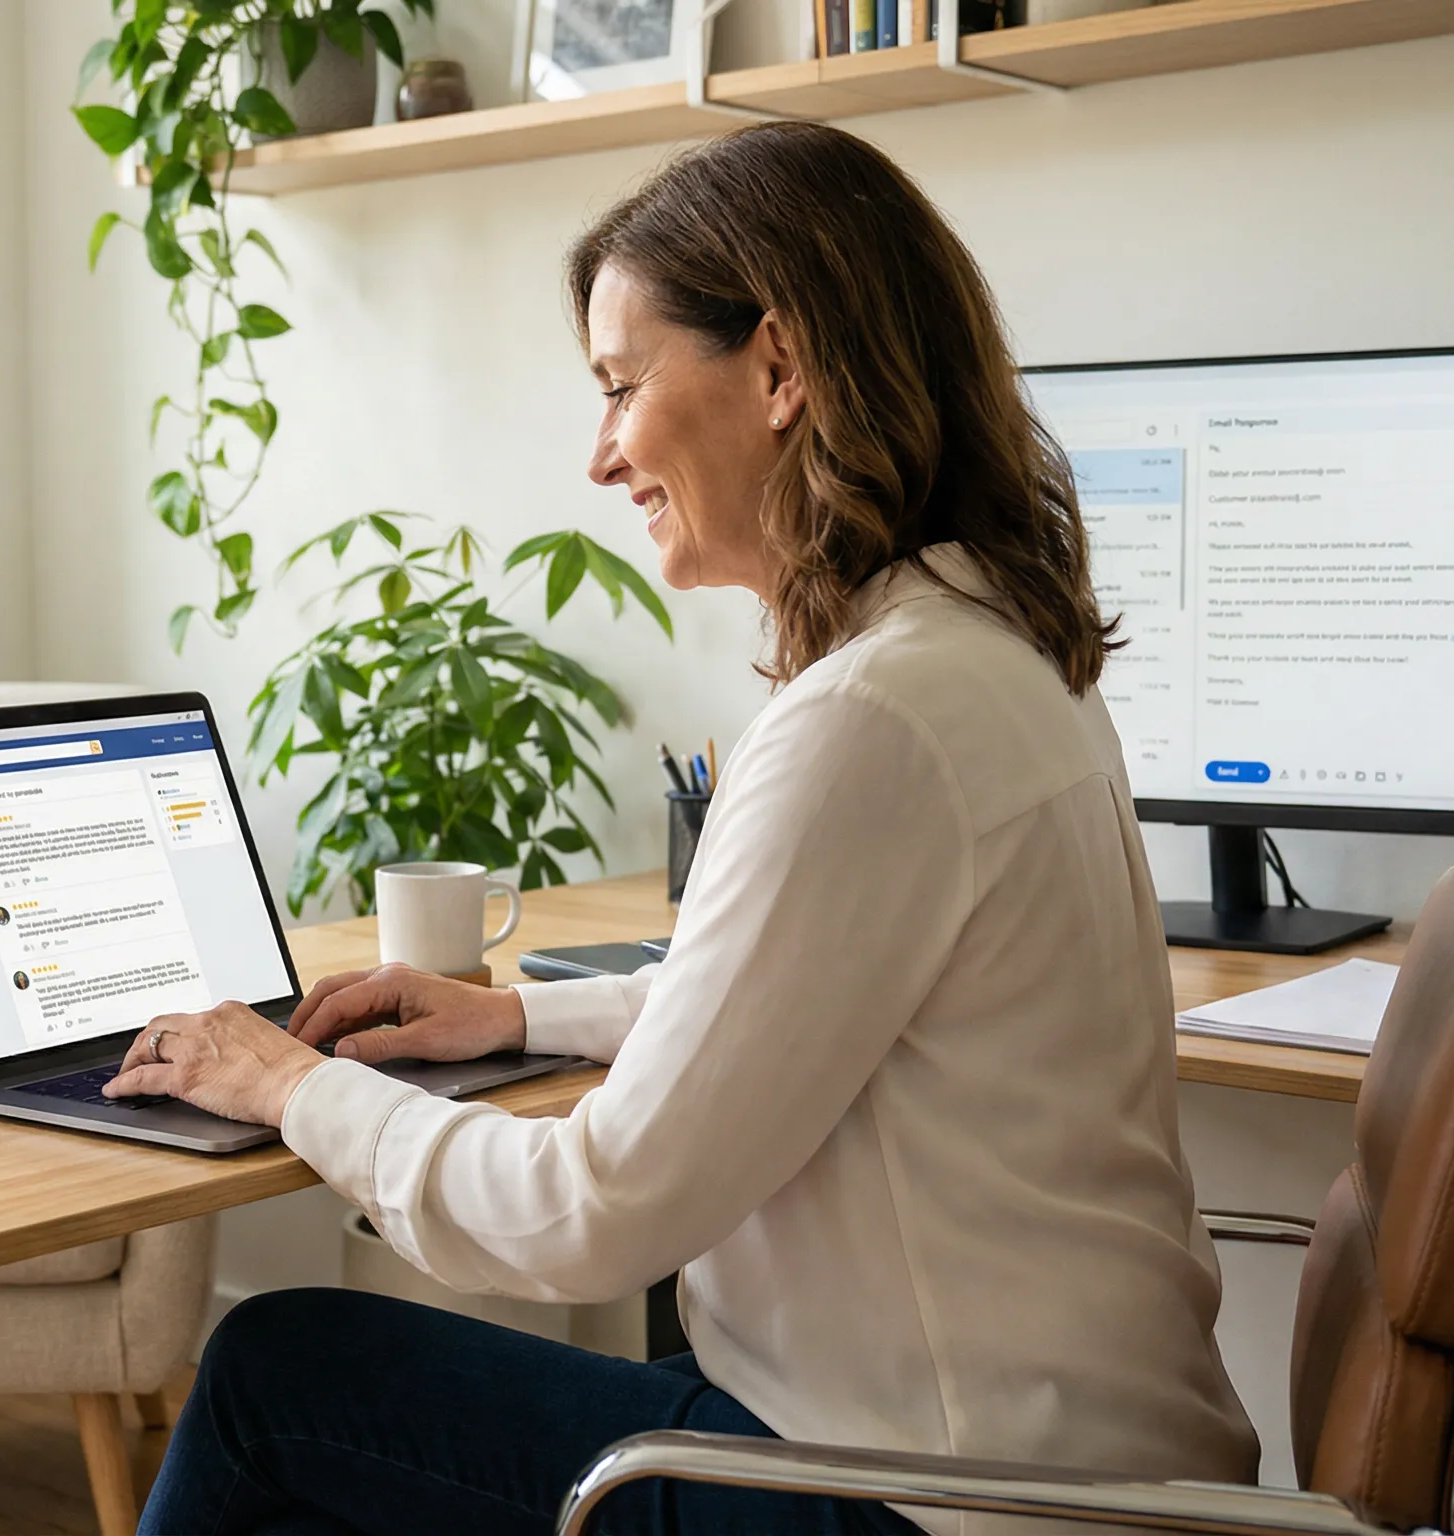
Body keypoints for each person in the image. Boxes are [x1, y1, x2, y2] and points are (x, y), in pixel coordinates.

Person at [105, 121, 1258, 1536]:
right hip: (1074, 1473)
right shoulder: (997, 656)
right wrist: (520, 1019)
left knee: (270, 1378)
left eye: (620, 385)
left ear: (779, 369)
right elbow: (805, 1000)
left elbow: (591, 1211)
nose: (601, 458)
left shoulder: (872, 722)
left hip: (936, 1501)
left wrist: (288, 1085)